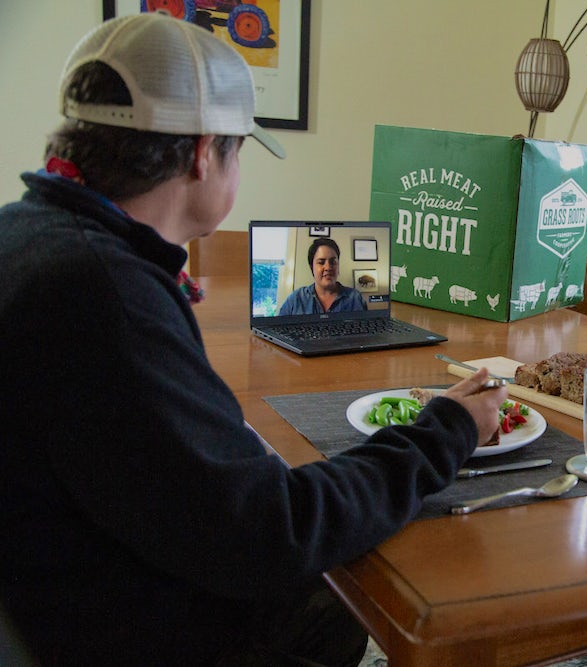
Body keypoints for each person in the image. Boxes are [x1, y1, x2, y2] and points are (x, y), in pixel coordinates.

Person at [0, 13, 507, 666]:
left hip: (69, 584)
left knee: (337, 591)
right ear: (203, 151)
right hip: (123, 628)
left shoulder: (29, 233)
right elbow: (277, 534)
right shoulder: (102, 290)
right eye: (239, 148)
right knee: (348, 577)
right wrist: (447, 428)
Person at [279, 237, 367, 315]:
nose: (328, 267)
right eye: (321, 262)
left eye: (333, 262)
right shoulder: (296, 298)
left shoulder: (355, 298)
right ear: (311, 267)